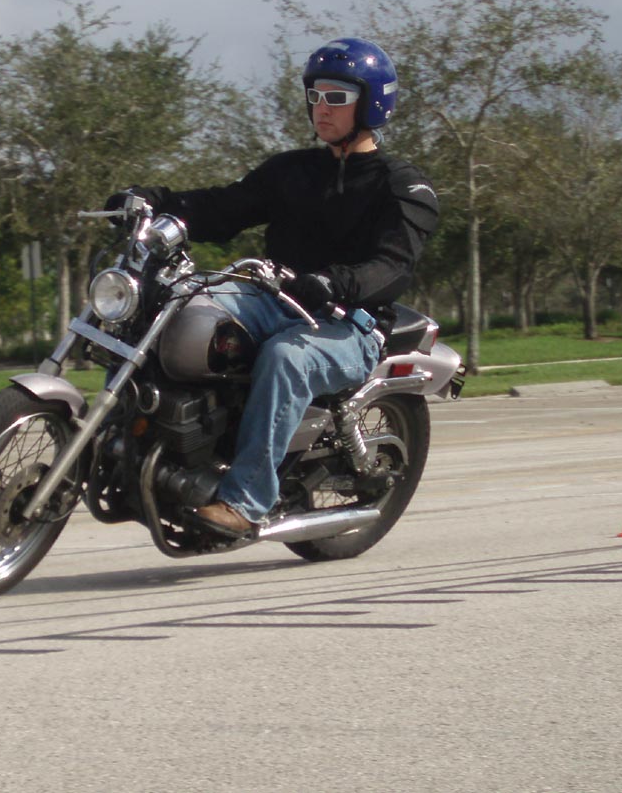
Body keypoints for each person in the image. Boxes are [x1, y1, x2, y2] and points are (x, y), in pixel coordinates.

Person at [115, 37, 439, 537]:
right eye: (315, 95)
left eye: (337, 97)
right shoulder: (292, 170)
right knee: (180, 307)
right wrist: (154, 201)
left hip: (349, 322)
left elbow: (393, 266)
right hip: (272, 297)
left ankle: (246, 501)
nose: (322, 108)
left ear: (371, 103)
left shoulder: (401, 186)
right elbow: (223, 208)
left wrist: (335, 282)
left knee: (286, 358)